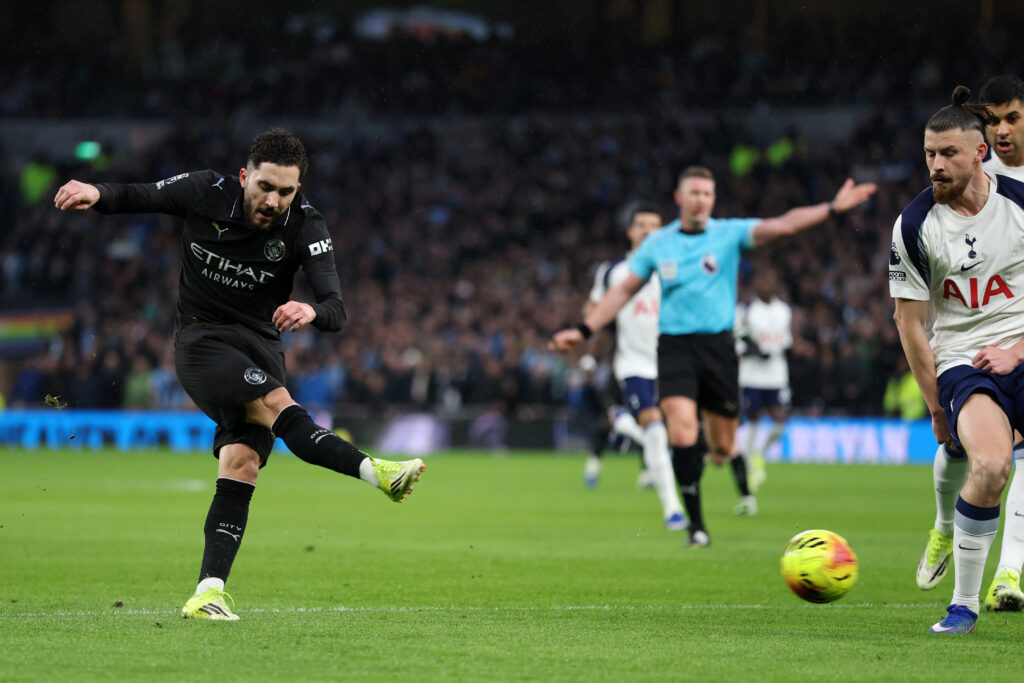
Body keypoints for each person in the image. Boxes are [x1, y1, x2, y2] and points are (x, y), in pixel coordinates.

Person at [53, 128, 425, 621]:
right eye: (265, 187)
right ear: (245, 176)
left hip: (262, 347)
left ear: (298, 190)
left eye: (286, 192)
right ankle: (376, 472)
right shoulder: (207, 191)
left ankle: (208, 591)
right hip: (202, 340)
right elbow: (138, 195)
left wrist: (311, 312)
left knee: (241, 464)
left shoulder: (307, 227)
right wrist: (96, 192)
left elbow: (336, 308)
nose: (273, 201)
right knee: (275, 407)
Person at [551, 166, 876, 548]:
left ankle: (707, 463)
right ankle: (696, 526)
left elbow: (784, 225)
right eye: (694, 193)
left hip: (718, 349)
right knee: (682, 430)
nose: (701, 200)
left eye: (707, 193)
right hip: (674, 348)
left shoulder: (728, 235)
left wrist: (832, 209)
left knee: (722, 446)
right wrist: (584, 329)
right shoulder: (659, 244)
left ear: (713, 199)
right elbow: (622, 292)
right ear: (679, 198)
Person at [890, 86, 1024, 634]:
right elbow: (911, 324)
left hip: (1020, 345)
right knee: (991, 466)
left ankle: (998, 561)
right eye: (929, 154)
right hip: (963, 361)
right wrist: (935, 406)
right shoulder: (915, 226)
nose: (936, 165)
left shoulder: (1018, 205)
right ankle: (963, 604)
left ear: (980, 152)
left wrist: (1017, 351)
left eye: (948, 154)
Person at [581, 203, 687, 530]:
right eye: (641, 224)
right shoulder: (614, 270)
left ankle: (622, 422)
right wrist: (588, 338)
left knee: (682, 435)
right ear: (630, 232)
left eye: (654, 225)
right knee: (654, 430)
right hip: (633, 362)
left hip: (671, 362)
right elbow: (594, 309)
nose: (647, 230)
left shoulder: (675, 267)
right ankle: (672, 507)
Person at [735, 267, 792, 498]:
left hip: (777, 374)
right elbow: (738, 341)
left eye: (771, 279)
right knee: (754, 417)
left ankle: (759, 451)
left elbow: (786, 341)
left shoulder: (784, 311)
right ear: (756, 284)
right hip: (751, 375)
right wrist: (754, 351)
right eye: (763, 279)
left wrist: (774, 350)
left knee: (781, 419)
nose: (767, 284)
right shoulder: (746, 310)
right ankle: (750, 463)